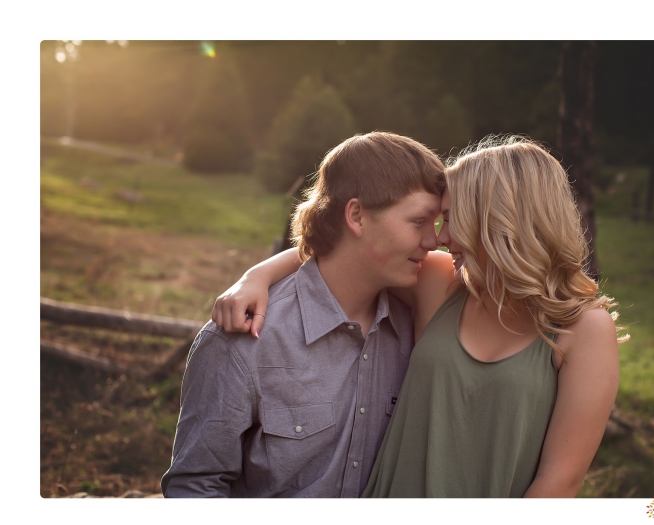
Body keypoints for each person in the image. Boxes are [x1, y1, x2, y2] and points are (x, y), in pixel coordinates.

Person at [212, 135, 625, 497]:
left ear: (498, 222)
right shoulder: (442, 283)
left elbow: (560, 483)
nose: (439, 238)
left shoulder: (583, 329)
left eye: (451, 219)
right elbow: (343, 254)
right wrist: (257, 276)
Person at [161, 132, 445, 497]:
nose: (433, 241)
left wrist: (257, 272)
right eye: (419, 221)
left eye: (436, 224)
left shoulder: (418, 324)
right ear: (356, 215)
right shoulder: (243, 340)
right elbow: (195, 487)